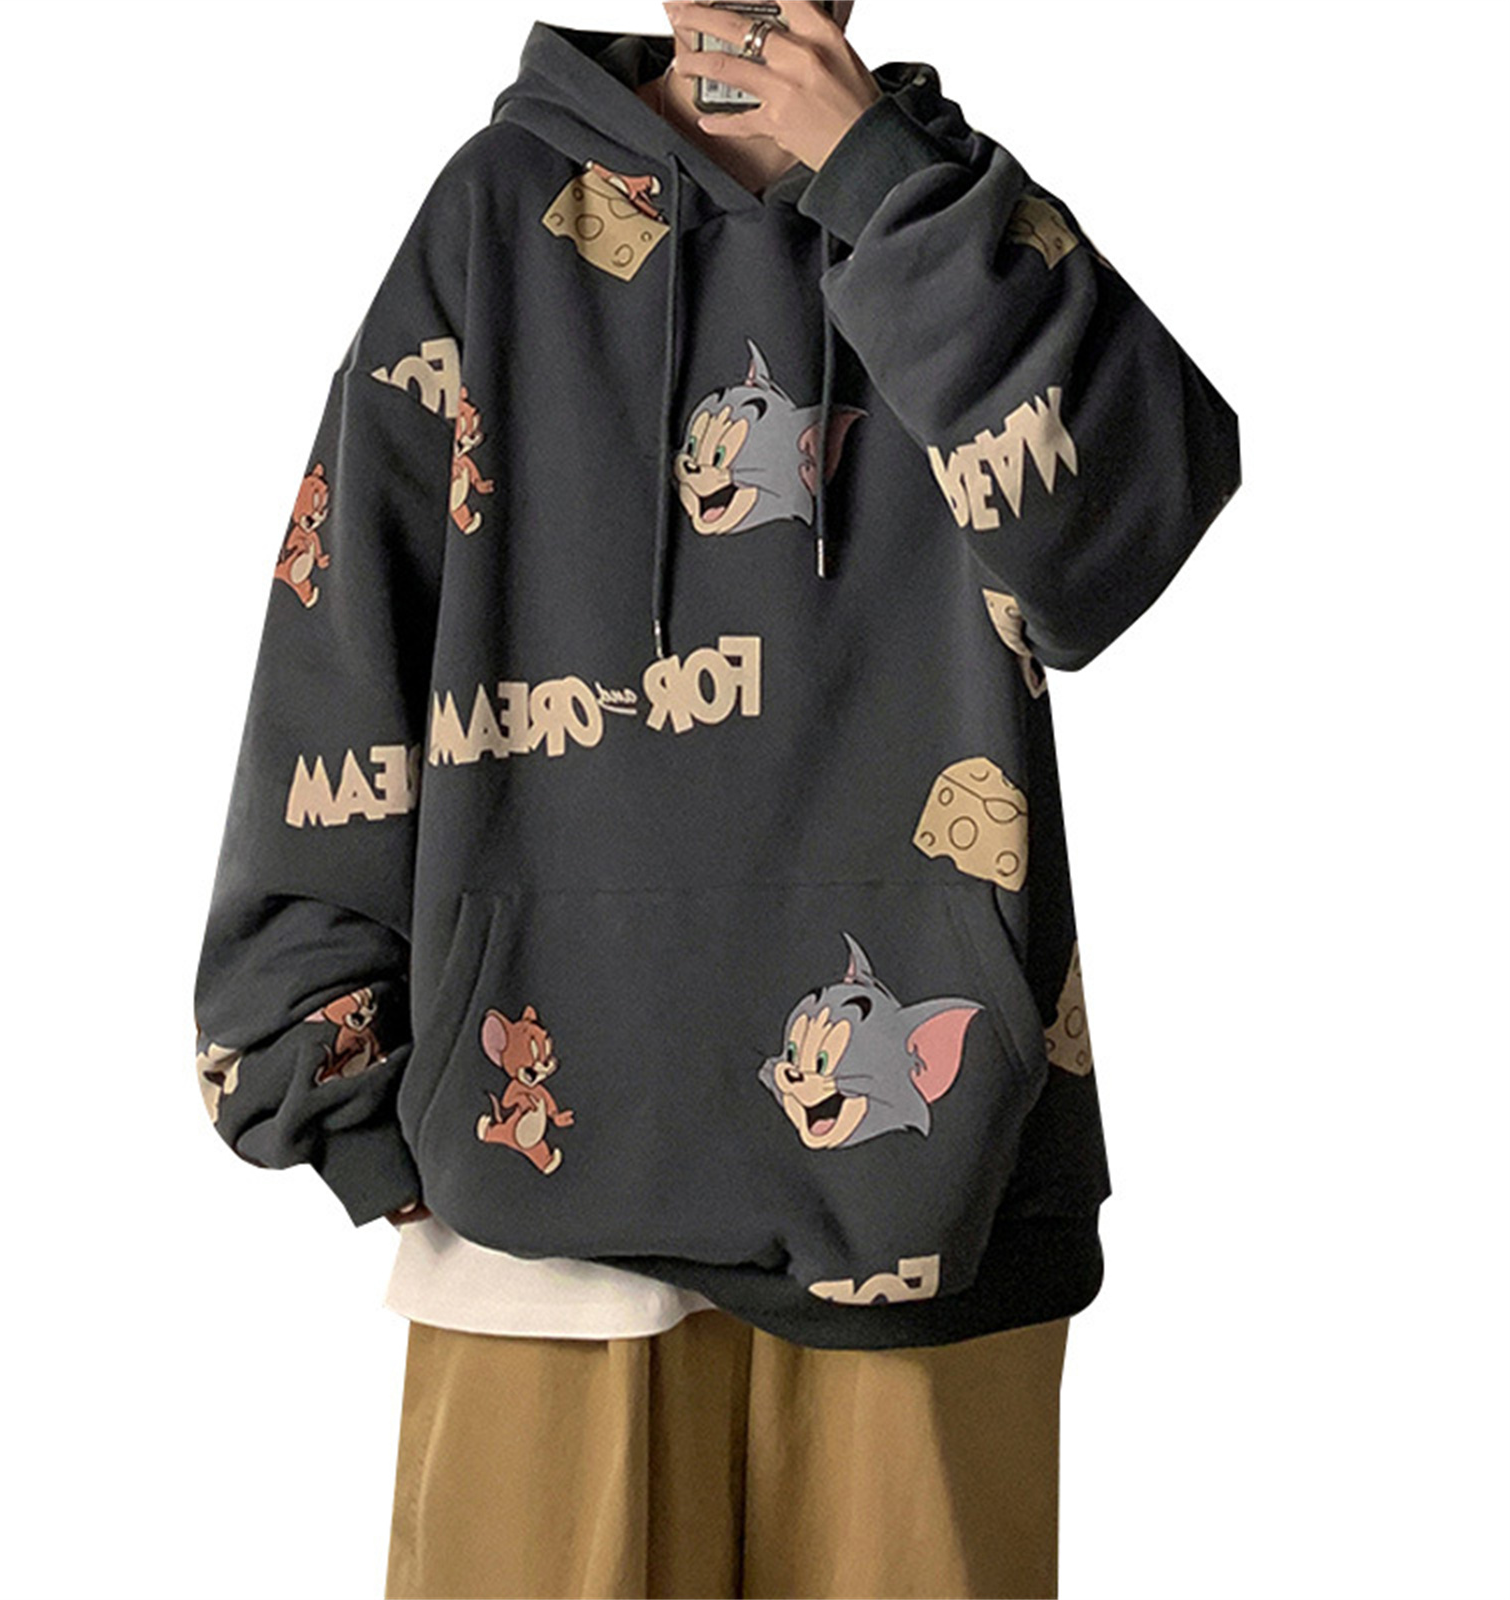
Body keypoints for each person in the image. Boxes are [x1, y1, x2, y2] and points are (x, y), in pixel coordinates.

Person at [191, 2, 1241, 1594]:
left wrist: (875, 175)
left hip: (935, 1205)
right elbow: (345, 630)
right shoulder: (498, 213)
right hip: (536, 1210)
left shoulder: (957, 212)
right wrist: (322, 1066)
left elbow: (1119, 542)